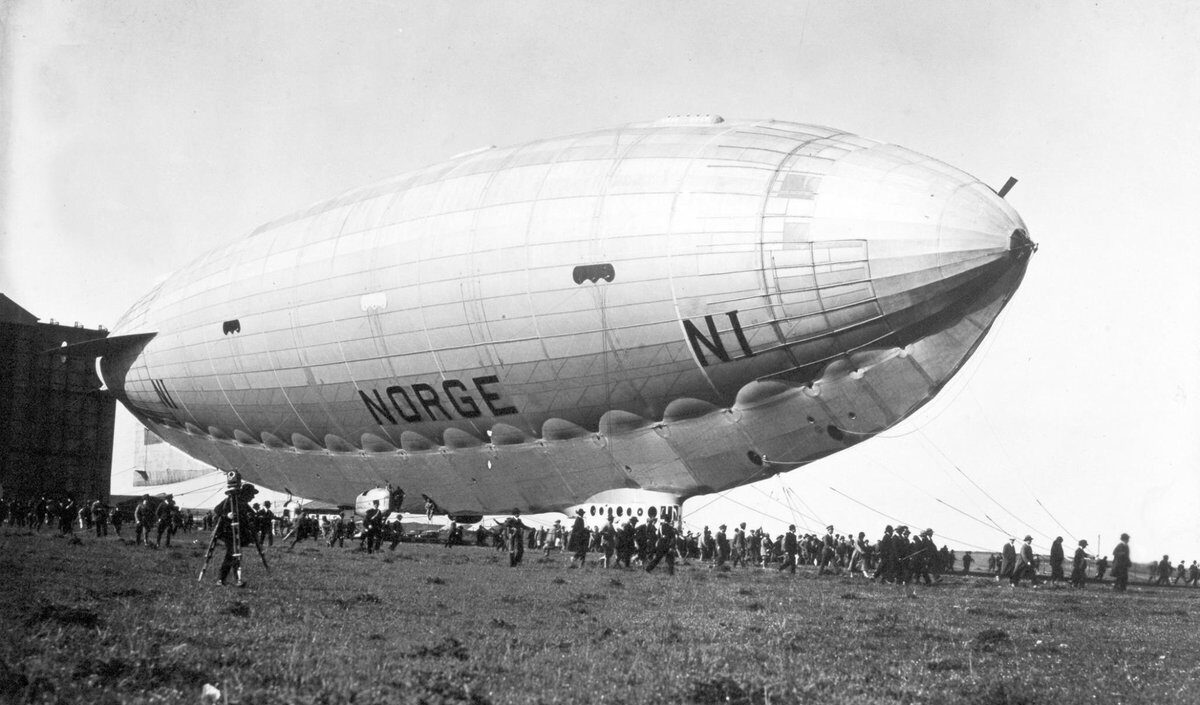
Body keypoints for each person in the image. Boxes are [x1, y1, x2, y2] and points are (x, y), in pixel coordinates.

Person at [211, 480, 261, 587]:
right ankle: (224, 579)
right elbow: (217, 510)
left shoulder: (244, 504)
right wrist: (227, 515)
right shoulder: (231, 500)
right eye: (251, 494)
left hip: (237, 532)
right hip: (227, 532)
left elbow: (251, 514)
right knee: (232, 554)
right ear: (245, 493)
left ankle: (231, 579)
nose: (253, 497)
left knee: (234, 554)